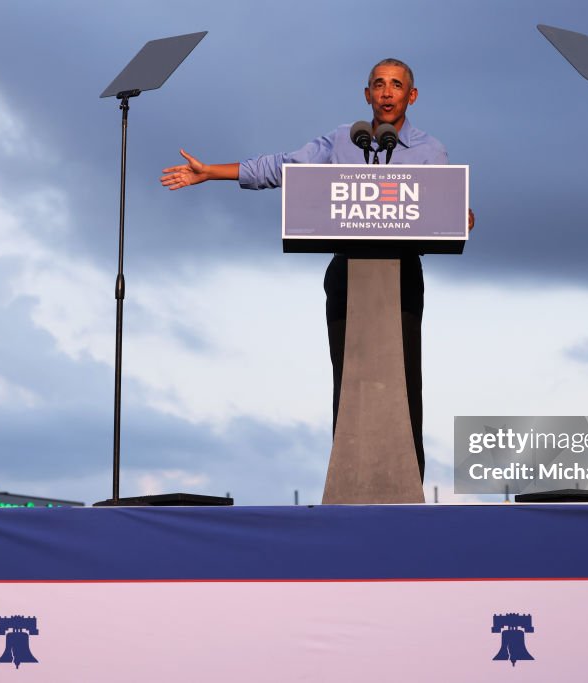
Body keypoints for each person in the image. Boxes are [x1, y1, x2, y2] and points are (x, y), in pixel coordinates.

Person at [161, 58, 472, 481]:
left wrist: (460, 214)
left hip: (400, 276)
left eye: (395, 85)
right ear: (367, 95)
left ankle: (406, 479)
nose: (386, 92)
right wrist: (211, 172)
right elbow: (283, 167)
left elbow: (444, 205)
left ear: (410, 96)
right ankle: (352, 475)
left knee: (403, 377)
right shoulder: (344, 140)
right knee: (350, 380)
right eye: (378, 85)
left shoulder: (430, 150)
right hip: (349, 275)